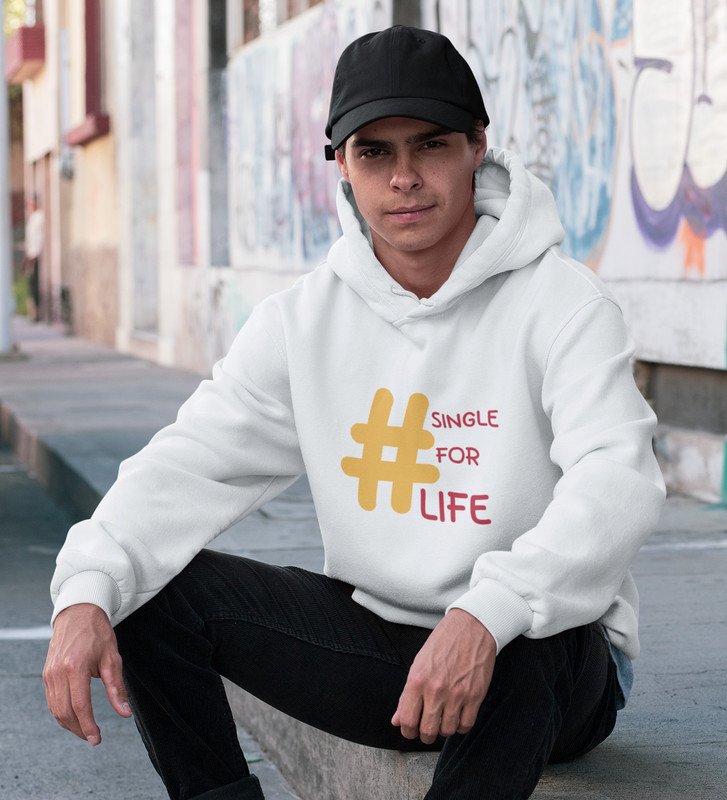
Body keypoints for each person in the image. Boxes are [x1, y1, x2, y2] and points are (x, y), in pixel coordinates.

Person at [44, 25, 665, 800]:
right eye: (374, 152)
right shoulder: (303, 322)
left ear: (477, 145)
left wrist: (488, 611)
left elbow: (616, 480)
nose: (403, 177)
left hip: (547, 665)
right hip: (385, 653)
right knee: (149, 592)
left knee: (535, 637)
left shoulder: (560, 303)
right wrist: (85, 590)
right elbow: (188, 465)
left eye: (429, 145)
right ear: (340, 164)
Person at [23, 194, 43, 322]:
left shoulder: (39, 217)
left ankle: (37, 313)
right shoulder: (32, 218)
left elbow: (38, 238)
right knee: (31, 284)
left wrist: (34, 254)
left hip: (36, 255)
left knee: (35, 284)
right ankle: (33, 312)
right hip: (31, 255)